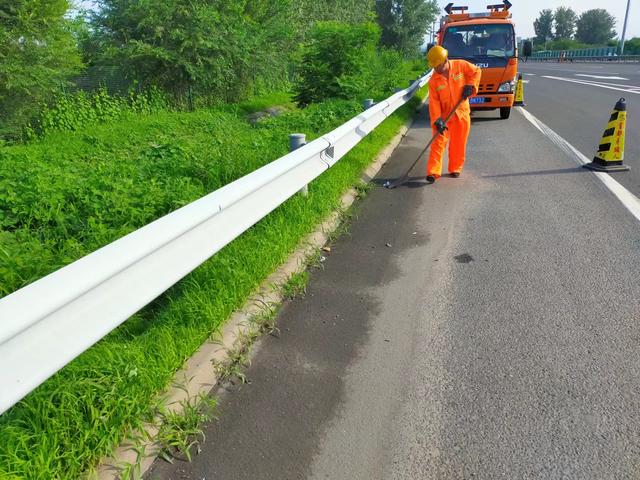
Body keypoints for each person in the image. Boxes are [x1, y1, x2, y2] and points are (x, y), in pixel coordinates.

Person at [425, 45, 481, 183]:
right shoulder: (433, 81)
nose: (436, 69)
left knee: (458, 143)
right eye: (434, 67)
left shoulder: (460, 66)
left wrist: (471, 86)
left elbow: (477, 71)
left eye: (438, 66)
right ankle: (433, 172)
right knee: (438, 143)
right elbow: (434, 102)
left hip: (460, 112)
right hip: (443, 116)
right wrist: (437, 119)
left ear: (445, 60)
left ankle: (455, 168)